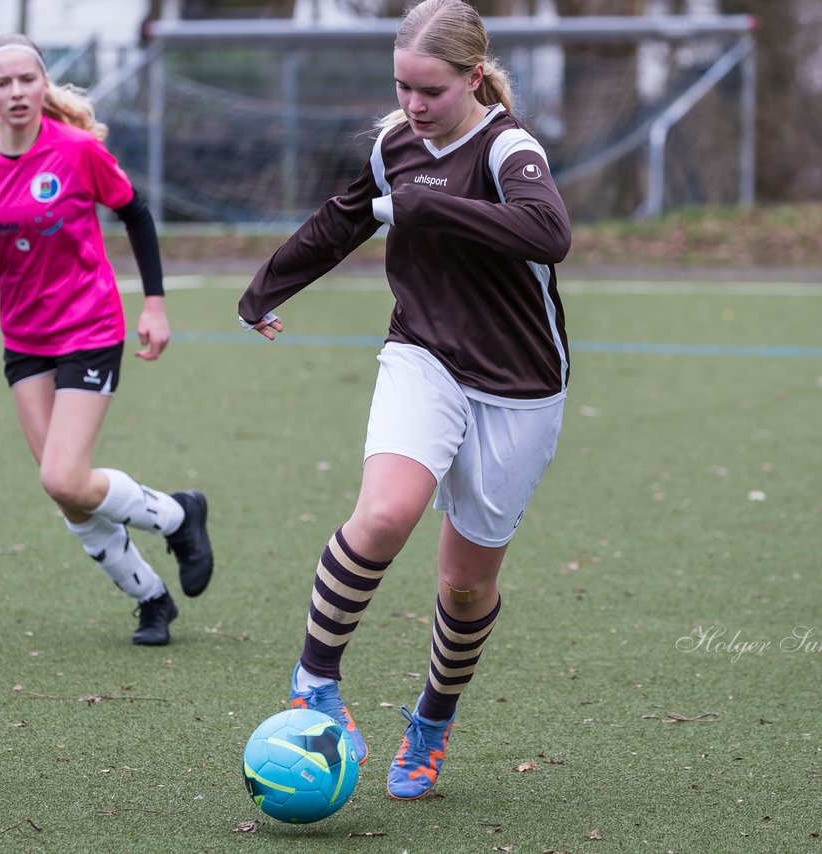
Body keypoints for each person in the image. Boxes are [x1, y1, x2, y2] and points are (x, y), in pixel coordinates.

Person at [239, 0, 571, 800]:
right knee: (384, 513)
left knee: (464, 584)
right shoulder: (395, 146)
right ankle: (314, 681)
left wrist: (428, 208)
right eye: (403, 87)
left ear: (475, 78)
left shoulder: (507, 148)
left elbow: (548, 232)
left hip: (519, 384)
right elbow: (342, 221)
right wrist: (264, 290)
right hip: (422, 354)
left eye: (431, 91)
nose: (415, 107)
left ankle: (430, 723)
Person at [0, 34, 213, 646]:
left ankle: (180, 515)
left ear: (43, 86)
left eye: (29, 80)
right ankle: (152, 597)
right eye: (4, 82)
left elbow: (136, 213)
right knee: (71, 496)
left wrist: (153, 304)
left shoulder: (76, 151)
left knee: (61, 476)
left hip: (89, 327)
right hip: (24, 339)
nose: (18, 92)